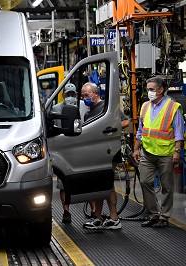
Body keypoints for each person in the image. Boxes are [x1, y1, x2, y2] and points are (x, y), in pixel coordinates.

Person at [132, 77, 184, 228]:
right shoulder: (145, 106)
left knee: (167, 186)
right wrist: (136, 148)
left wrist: (177, 151)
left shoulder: (173, 107)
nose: (149, 92)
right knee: (145, 181)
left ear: (161, 90)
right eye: (148, 89)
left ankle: (164, 216)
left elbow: (179, 132)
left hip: (166, 153)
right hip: (147, 152)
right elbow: (141, 131)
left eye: (152, 90)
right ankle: (153, 213)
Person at [81, 82, 122, 230]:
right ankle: (97, 218)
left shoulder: (107, 109)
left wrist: (106, 130)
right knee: (98, 187)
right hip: (94, 155)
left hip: (107, 153)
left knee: (108, 186)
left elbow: (124, 121)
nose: (84, 98)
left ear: (96, 94)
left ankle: (114, 218)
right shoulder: (88, 112)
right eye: (82, 96)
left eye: (86, 95)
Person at [53, 83, 78, 223]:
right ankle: (66, 211)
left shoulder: (82, 105)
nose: (70, 97)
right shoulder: (56, 108)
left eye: (72, 94)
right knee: (63, 183)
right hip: (63, 150)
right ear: (63, 95)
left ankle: (94, 212)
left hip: (81, 148)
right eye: (67, 94)